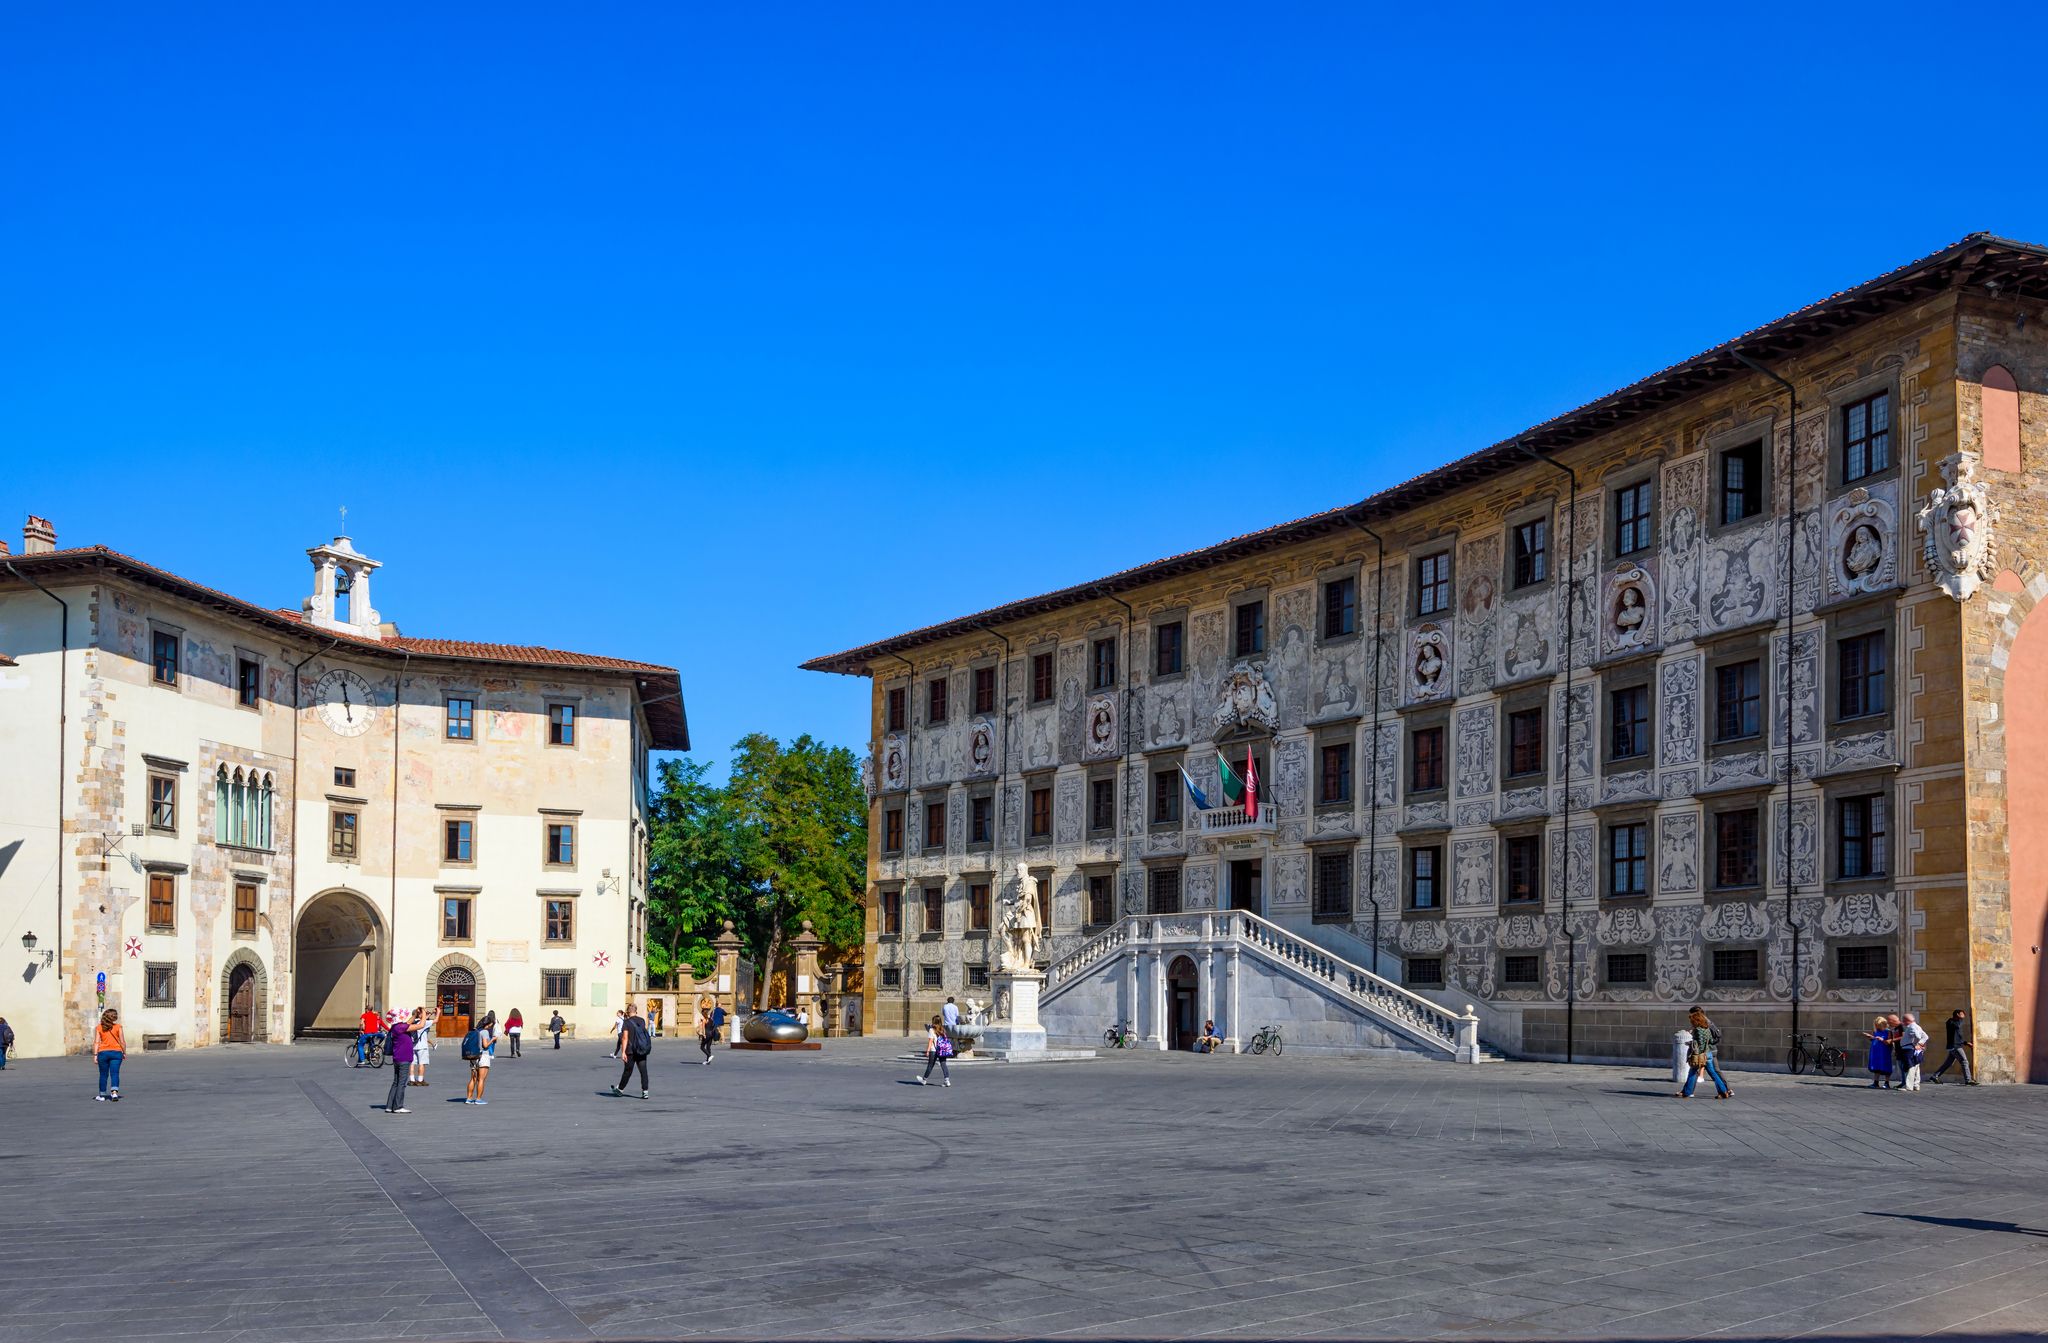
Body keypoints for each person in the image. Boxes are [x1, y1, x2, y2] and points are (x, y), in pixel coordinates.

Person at [1675, 1006, 1731, 1100]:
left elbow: (1699, 1044)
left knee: (1693, 1072)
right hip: (1708, 1054)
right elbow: (1711, 1041)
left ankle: (1687, 1092)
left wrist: (1691, 1043)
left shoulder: (1698, 1030)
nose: (1691, 1022)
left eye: (1692, 1020)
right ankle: (1724, 1091)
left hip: (1701, 1055)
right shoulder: (1707, 1029)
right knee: (1713, 1073)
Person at [612, 1001, 652, 1099]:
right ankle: (645, 1091)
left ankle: (620, 1090)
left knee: (628, 1071)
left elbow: (625, 1038)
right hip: (641, 1049)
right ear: (636, 1011)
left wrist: (623, 1052)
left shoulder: (626, 1023)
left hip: (631, 1050)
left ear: (627, 1012)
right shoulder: (642, 1020)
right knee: (643, 1071)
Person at [1932, 1009, 1979, 1085]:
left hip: (1955, 1045)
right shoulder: (1951, 1022)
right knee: (1964, 1061)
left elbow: (1958, 1037)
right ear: (1957, 1014)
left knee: (1948, 1063)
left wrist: (1966, 1043)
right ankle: (1968, 1080)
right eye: (1962, 1014)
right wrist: (1961, 1019)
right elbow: (1957, 1026)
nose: (1963, 1016)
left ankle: (1935, 1076)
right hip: (1955, 1046)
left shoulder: (1956, 1022)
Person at [384, 1011, 417, 1115]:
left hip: (397, 1058)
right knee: (401, 1083)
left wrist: (415, 1015)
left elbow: (408, 1023)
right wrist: (424, 1014)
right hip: (404, 1059)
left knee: (396, 1082)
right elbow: (420, 1025)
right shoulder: (401, 1027)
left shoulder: (395, 1027)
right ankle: (398, 1106)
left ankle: (389, 1106)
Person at [465, 1011, 497, 1105]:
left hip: (473, 1056)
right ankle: (478, 1099)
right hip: (483, 1056)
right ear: (487, 1024)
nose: (490, 1026)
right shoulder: (485, 1032)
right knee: (481, 1079)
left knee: (473, 1078)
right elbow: (485, 1045)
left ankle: (469, 1098)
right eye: (490, 1025)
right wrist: (493, 1039)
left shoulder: (475, 1030)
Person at [95, 1008, 126, 1101]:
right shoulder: (118, 1027)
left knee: (103, 1074)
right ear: (114, 1017)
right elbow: (122, 1042)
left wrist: (95, 1055)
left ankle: (102, 1095)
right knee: (115, 1073)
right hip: (116, 1053)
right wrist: (124, 1052)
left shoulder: (99, 1027)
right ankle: (114, 1093)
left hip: (103, 1053)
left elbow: (96, 1042)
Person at [915, 1014, 953, 1087]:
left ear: (934, 1022)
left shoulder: (931, 1030)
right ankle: (947, 1081)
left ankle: (924, 1080)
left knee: (930, 1065)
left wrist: (927, 1051)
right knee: (943, 1064)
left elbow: (930, 1042)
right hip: (942, 1050)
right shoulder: (942, 1030)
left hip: (933, 1050)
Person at [1898, 1013, 1930, 1092]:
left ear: (1907, 1020)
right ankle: (1916, 1085)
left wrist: (1918, 1044)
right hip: (1912, 1049)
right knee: (1916, 1067)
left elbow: (1918, 1036)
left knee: (1910, 1067)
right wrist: (1920, 1044)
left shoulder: (1911, 1027)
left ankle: (1909, 1086)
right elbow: (1925, 1036)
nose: (1902, 1022)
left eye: (1903, 1020)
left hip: (1909, 1049)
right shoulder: (1917, 1026)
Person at [1864, 1015, 1895, 1089]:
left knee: (1886, 1066)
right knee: (1876, 1066)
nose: (1877, 1027)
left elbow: (1890, 1041)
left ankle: (1887, 1083)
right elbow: (1875, 1039)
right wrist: (1871, 1038)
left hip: (1884, 1051)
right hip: (1876, 1051)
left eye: (1878, 1025)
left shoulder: (1888, 1031)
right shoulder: (1876, 1031)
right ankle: (1876, 1082)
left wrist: (1882, 1039)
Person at [409, 1010, 433, 1088]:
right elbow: (435, 1020)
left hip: (412, 1046)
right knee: (422, 1063)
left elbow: (423, 1020)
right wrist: (438, 1013)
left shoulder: (411, 1023)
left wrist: (428, 1014)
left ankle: (412, 1080)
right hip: (422, 1046)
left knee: (412, 1063)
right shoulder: (423, 1024)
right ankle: (420, 1080)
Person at [1886, 1013, 1908, 1087]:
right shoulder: (1895, 1028)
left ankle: (1906, 1083)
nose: (1888, 1024)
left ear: (1893, 1021)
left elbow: (1903, 1036)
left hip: (1904, 1050)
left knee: (1905, 1067)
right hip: (1899, 1050)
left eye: (1889, 1022)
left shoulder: (1902, 1026)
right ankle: (1903, 1082)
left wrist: (1892, 1040)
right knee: (1901, 1067)